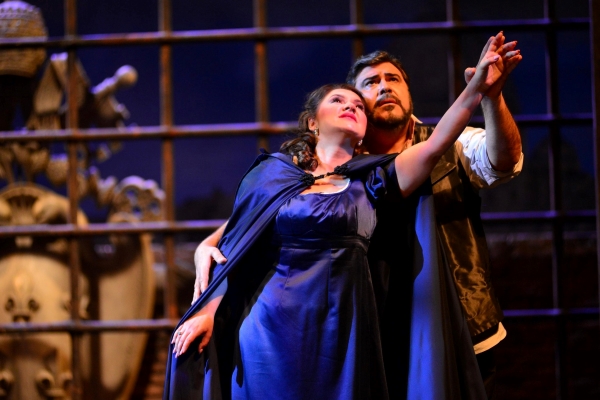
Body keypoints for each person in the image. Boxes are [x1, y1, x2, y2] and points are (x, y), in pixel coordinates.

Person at [164, 38, 514, 399]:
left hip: (344, 330)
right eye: (338, 101)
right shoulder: (274, 173)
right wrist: (207, 306)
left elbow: (438, 142)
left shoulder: (372, 178)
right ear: (313, 123)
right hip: (271, 328)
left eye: (358, 106)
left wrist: (477, 89)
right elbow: (240, 239)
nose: (350, 106)